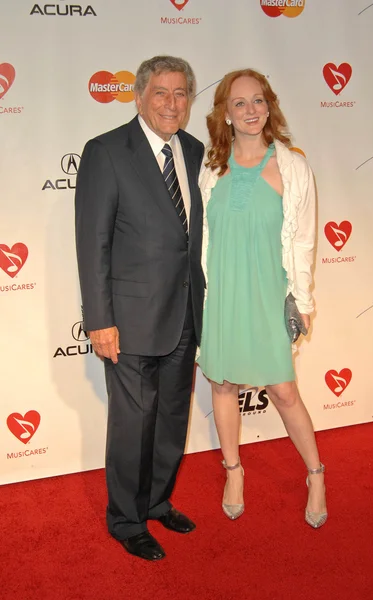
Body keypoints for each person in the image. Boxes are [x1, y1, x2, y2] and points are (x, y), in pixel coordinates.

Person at [75, 56, 205, 561]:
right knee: (134, 423)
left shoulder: (194, 151)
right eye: (161, 93)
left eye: (181, 95)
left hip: (186, 313)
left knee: (172, 417)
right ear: (139, 96)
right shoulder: (106, 151)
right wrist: (100, 320)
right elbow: (93, 243)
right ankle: (126, 519)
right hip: (128, 320)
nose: (172, 104)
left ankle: (156, 501)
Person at [197, 69, 327, 528]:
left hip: (269, 293)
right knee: (223, 386)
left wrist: (304, 299)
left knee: (284, 390)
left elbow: (305, 240)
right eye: (239, 103)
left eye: (258, 101)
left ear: (269, 106)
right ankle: (234, 471)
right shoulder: (212, 167)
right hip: (222, 294)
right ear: (226, 114)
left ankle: (315, 474)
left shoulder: (291, 165)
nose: (251, 110)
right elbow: (206, 238)